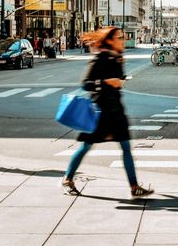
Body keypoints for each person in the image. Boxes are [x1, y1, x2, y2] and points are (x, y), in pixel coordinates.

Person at [61, 27, 154, 198]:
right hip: (100, 112)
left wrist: (120, 78)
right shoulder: (100, 58)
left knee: (126, 147)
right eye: (119, 38)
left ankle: (134, 187)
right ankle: (67, 179)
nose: (122, 40)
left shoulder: (117, 58)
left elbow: (120, 80)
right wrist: (106, 82)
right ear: (110, 40)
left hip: (117, 111)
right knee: (85, 146)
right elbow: (85, 84)